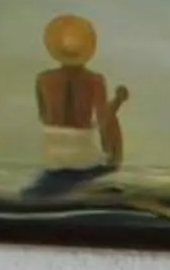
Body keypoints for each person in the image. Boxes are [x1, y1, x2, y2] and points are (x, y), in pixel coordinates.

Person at [36, 14, 129, 169]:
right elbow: (103, 120)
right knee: (112, 117)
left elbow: (44, 117)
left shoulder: (43, 79)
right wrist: (118, 101)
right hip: (83, 151)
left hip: (52, 150)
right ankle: (114, 163)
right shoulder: (95, 80)